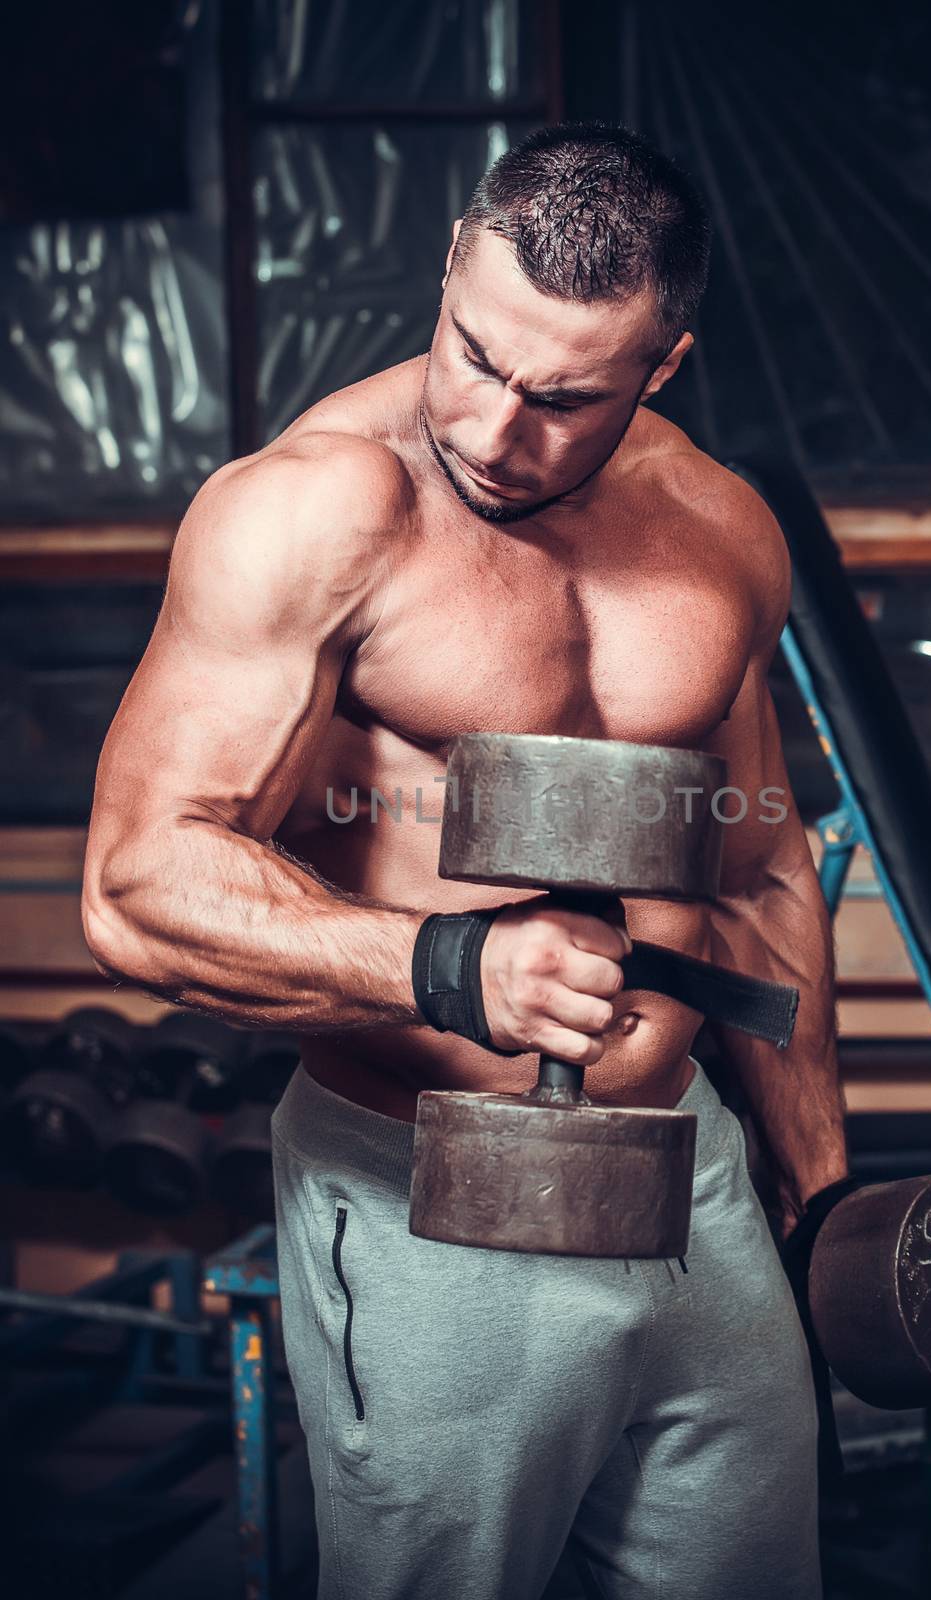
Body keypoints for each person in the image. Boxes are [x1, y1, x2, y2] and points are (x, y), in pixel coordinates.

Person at [82, 122, 847, 1600]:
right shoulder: (317, 509)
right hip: (427, 1198)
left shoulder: (721, 530)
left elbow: (751, 871)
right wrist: (440, 962)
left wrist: (815, 1188)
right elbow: (134, 885)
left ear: (661, 367)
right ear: (447, 267)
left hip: (692, 1188)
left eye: (564, 398)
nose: (498, 429)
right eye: (474, 355)